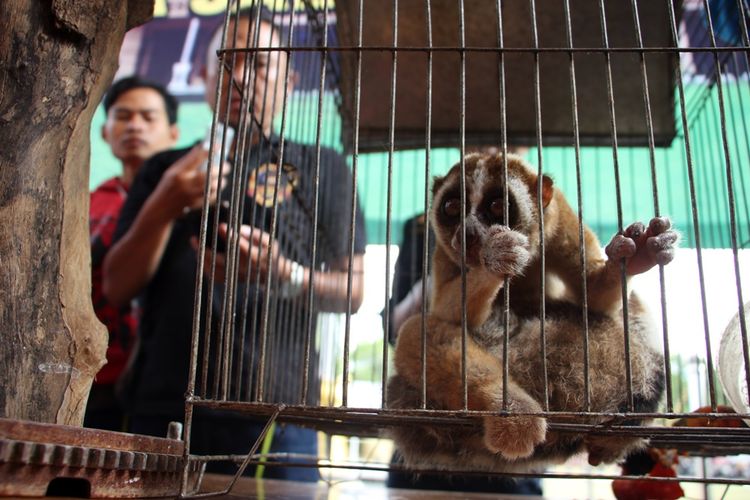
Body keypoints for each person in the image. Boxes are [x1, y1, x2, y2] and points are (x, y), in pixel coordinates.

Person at [103, 6, 366, 481]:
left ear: (289, 83)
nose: (241, 77)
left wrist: (285, 275)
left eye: (259, 64)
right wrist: (165, 203)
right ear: (204, 76)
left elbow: (354, 292)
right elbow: (116, 286)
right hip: (165, 403)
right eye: (228, 61)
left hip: (277, 409)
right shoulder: (165, 168)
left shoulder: (324, 168)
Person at [86, 76, 179, 431]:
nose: (135, 126)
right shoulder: (88, 205)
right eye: (123, 116)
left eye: (148, 117)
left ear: (173, 133)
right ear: (105, 132)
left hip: (164, 382)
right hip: (98, 375)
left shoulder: (196, 203)